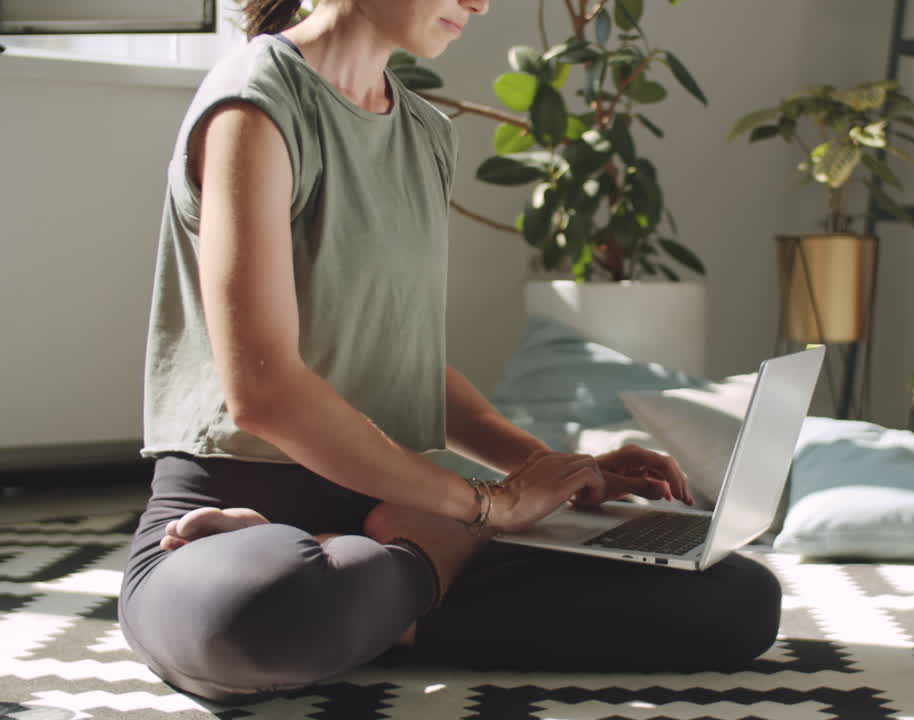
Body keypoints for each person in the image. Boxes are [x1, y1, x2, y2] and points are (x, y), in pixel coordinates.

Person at [118, 0, 782, 705]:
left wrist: (553, 471)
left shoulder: (423, 132)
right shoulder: (254, 106)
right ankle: (407, 566)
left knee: (735, 600)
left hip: (391, 506)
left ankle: (382, 588)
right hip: (239, 502)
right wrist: (482, 509)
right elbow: (265, 395)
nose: (480, 2)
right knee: (259, 613)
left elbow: (399, 362)